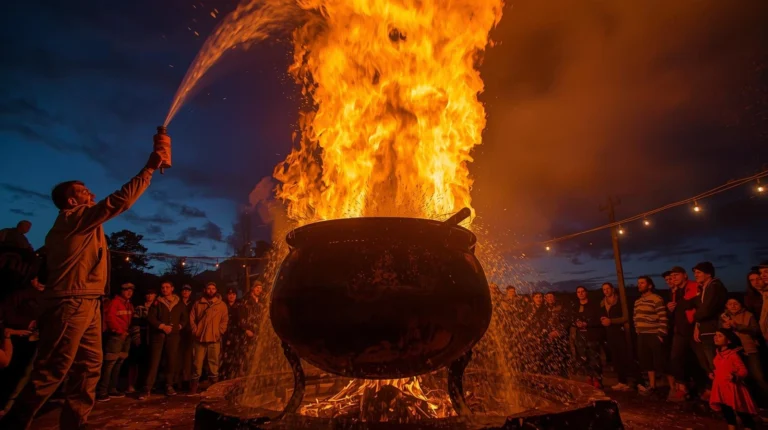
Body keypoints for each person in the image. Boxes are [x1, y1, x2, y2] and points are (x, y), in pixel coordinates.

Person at [0, 143, 167, 429]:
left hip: (88, 302)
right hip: (70, 302)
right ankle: (14, 423)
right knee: (51, 371)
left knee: (88, 369)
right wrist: (149, 169)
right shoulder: (74, 219)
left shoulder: (85, 224)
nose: (90, 192)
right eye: (82, 190)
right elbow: (118, 202)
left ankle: (75, 424)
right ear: (71, 202)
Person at [0, 277, 43, 413]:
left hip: (34, 340)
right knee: (12, 372)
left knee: (27, 373)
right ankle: (5, 405)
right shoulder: (21, 294)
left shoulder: (46, 297)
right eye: (38, 279)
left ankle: (13, 406)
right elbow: (7, 313)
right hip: (17, 340)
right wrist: (26, 324)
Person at [141, 281, 188, 400]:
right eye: (162, 287)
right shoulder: (157, 303)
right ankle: (147, 388)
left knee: (171, 361)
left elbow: (185, 318)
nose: (164, 289)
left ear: (172, 288)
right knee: (154, 362)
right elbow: (151, 317)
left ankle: (169, 385)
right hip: (158, 336)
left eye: (167, 287)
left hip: (173, 336)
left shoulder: (179, 303)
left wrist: (179, 326)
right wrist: (162, 326)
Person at [719, 298, 768, 405]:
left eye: (735, 303)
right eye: (730, 304)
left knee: (758, 376)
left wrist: (738, 326)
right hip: (734, 351)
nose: (733, 306)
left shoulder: (748, 315)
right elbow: (719, 333)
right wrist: (724, 327)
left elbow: (756, 330)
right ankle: (750, 403)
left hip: (750, 349)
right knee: (742, 378)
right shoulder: (723, 317)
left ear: (741, 305)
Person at [692, 261, 728, 400]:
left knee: (714, 363)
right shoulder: (704, 288)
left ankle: (724, 395)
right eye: (695, 273)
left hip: (712, 330)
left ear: (708, 273)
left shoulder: (714, 286)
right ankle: (715, 391)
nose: (696, 275)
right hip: (705, 329)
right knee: (706, 363)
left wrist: (695, 316)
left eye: (699, 272)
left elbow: (706, 309)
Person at [709, 328, 757, 430]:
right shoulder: (718, 354)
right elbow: (720, 368)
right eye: (716, 335)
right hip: (721, 388)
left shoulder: (733, 355)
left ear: (728, 340)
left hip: (732, 388)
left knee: (740, 410)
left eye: (720, 335)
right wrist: (714, 374)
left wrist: (735, 377)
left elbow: (743, 370)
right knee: (727, 411)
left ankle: (749, 426)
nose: (716, 337)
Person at [666, 266, 701, 402]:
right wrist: (670, 309)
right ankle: (682, 387)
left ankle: (705, 389)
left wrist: (697, 324)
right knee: (676, 358)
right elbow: (677, 310)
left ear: (685, 275)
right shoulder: (675, 292)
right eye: (672, 276)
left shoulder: (694, 286)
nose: (674, 278)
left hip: (692, 328)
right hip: (679, 330)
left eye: (676, 275)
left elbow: (698, 305)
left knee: (698, 360)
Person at [96, 283, 135, 401]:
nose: (129, 292)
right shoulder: (115, 303)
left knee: (119, 363)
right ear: (121, 291)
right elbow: (110, 319)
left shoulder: (128, 304)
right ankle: (102, 391)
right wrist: (120, 331)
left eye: (131, 290)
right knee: (110, 364)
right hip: (116, 337)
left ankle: (112, 389)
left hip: (126, 336)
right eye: (126, 290)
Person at [189, 282, 228, 395]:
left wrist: (219, 332)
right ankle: (194, 387)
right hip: (199, 339)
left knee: (214, 364)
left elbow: (224, 320)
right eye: (208, 288)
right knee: (197, 363)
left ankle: (213, 388)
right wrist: (195, 331)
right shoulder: (198, 304)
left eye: (213, 289)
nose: (211, 290)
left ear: (216, 290)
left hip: (214, 339)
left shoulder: (221, 305)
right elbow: (192, 318)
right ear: (205, 290)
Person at [633, 276, 668, 397]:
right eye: (638, 283)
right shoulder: (638, 301)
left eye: (642, 283)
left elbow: (662, 316)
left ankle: (671, 387)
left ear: (650, 285)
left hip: (654, 334)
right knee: (647, 362)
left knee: (660, 361)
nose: (639, 285)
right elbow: (635, 316)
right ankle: (652, 386)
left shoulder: (656, 299)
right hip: (642, 335)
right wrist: (637, 329)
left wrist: (661, 334)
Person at [599, 283, 633, 391]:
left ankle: (639, 381)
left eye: (608, 288)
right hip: (609, 333)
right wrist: (602, 320)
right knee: (616, 358)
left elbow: (626, 317)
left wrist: (612, 321)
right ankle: (622, 381)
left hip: (620, 331)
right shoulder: (602, 303)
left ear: (612, 289)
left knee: (626, 356)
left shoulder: (619, 301)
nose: (606, 291)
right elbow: (601, 314)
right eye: (604, 289)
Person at [573, 286, 604, 389]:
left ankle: (597, 379)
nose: (581, 293)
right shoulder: (576, 306)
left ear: (586, 293)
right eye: (578, 292)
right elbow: (571, 318)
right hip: (580, 336)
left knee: (594, 358)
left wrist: (587, 324)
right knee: (584, 358)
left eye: (582, 291)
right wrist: (576, 323)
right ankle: (588, 378)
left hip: (592, 335)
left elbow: (599, 319)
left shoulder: (594, 305)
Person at [126, 289, 156, 394]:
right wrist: (136, 337)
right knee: (135, 362)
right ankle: (131, 384)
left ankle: (145, 384)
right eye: (147, 294)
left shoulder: (157, 307)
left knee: (149, 362)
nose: (149, 296)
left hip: (152, 337)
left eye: (151, 294)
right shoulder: (140, 308)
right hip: (141, 336)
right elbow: (135, 323)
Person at [237, 281, 264, 375]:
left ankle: (256, 373)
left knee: (258, 354)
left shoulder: (262, 302)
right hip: (249, 332)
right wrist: (246, 330)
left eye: (260, 288)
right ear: (253, 288)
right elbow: (241, 317)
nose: (259, 290)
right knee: (247, 354)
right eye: (257, 287)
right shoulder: (246, 301)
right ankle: (246, 374)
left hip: (258, 332)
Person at [177, 284, 195, 392]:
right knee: (177, 357)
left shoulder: (193, 304)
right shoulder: (177, 303)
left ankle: (186, 380)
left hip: (189, 333)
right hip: (178, 332)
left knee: (188, 358)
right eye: (184, 290)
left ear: (190, 292)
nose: (185, 292)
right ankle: (177, 381)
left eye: (188, 291)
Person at [220, 287, 239, 380]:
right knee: (224, 356)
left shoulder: (239, 306)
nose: (231, 296)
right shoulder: (222, 306)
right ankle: (224, 375)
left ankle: (235, 375)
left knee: (235, 355)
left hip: (236, 335)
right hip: (224, 334)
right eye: (230, 294)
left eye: (233, 294)